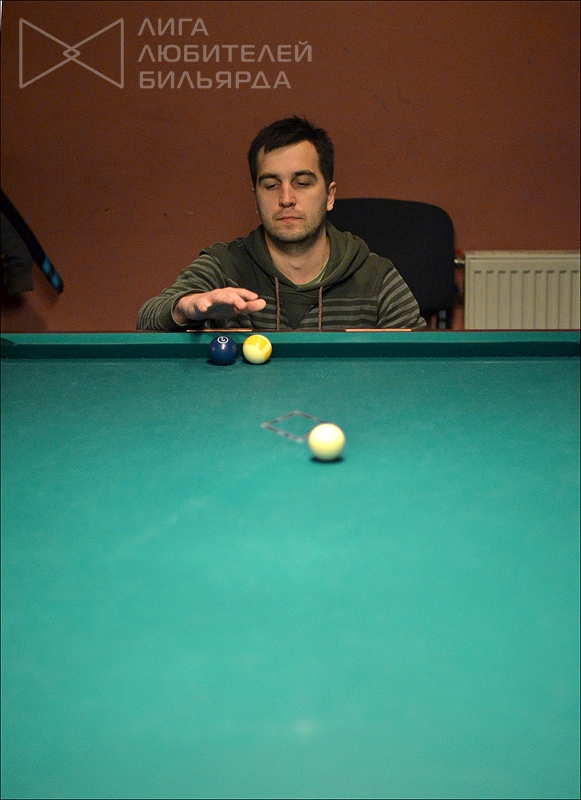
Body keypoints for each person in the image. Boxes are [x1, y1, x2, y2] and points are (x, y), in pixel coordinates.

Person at [137, 117, 426, 331]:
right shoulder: (224, 266)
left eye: (302, 183)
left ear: (329, 196)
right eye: (271, 185)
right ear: (256, 197)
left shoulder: (375, 278)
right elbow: (147, 320)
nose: (286, 199)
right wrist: (185, 308)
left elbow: (418, 365)